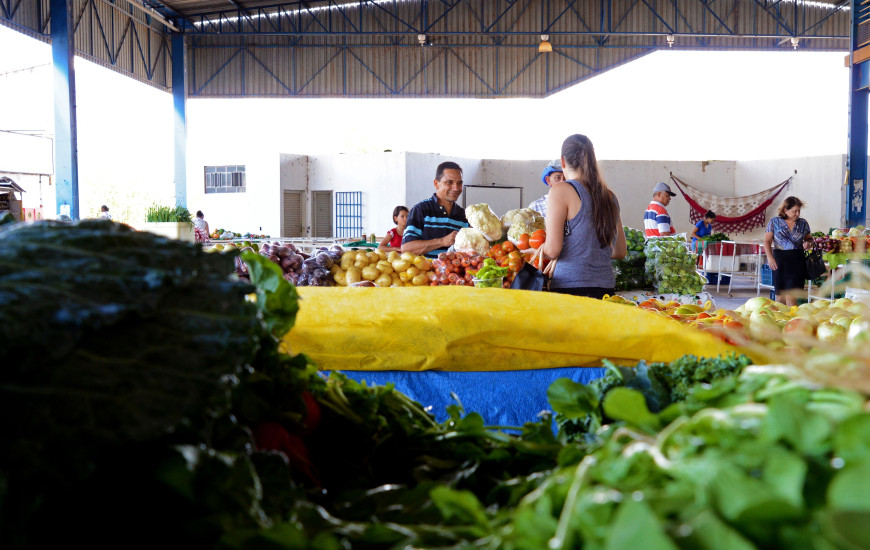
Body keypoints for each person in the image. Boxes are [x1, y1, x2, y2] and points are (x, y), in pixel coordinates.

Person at [540, 134, 627, 299]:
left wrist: (531, 250)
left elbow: (552, 250)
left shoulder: (561, 190)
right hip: (606, 290)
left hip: (571, 291)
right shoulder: (609, 196)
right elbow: (620, 251)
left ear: (563, 162)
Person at [401, 161, 469, 256]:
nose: (456, 188)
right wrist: (442, 241)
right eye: (449, 182)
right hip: (425, 271)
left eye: (459, 183)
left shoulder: (465, 216)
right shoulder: (421, 210)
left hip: (454, 270)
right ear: (436, 184)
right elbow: (406, 249)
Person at [764, 196, 811, 307]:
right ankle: (779, 319)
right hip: (779, 260)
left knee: (792, 296)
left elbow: (809, 239)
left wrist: (808, 243)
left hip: (797, 260)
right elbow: (767, 241)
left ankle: (792, 321)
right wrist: (770, 258)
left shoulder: (803, 223)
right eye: (794, 211)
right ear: (785, 210)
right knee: (779, 295)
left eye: (799, 211)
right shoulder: (774, 222)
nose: (798, 214)